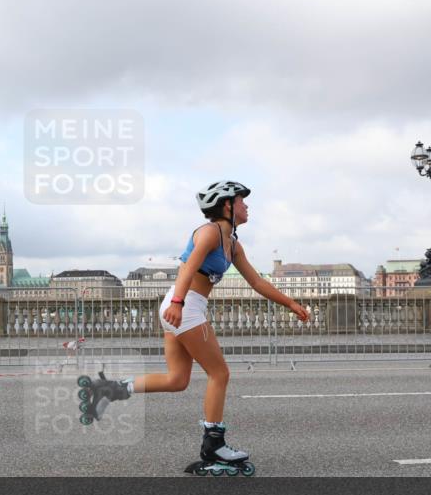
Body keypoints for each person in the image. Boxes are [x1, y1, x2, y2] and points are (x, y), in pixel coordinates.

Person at [84, 181, 310, 475]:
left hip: (184, 306)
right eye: (241, 201)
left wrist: (290, 304)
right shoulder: (208, 233)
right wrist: (177, 302)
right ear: (227, 205)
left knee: (177, 380)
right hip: (185, 306)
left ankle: (111, 389)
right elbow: (187, 268)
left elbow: (257, 282)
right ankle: (214, 445)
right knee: (220, 373)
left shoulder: (233, 245)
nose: (246, 206)